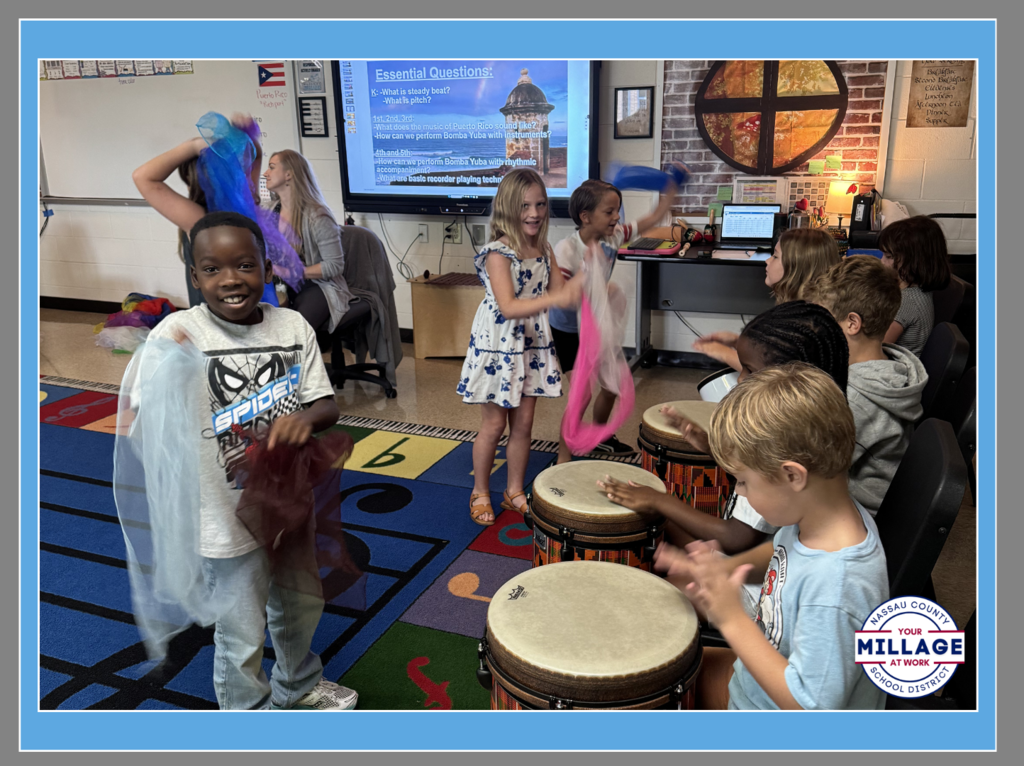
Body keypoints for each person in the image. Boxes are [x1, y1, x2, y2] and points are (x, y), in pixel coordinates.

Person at [139, 211, 357, 711]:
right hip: (224, 517)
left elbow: (325, 404)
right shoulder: (178, 333)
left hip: (288, 502)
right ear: (195, 278)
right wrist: (165, 370)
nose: (230, 279)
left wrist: (307, 419)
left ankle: (298, 686)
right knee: (240, 632)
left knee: (301, 604)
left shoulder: (292, 325)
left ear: (268, 268)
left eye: (244, 265)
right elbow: (145, 415)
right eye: (212, 269)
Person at [654, 363, 888, 710]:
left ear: (793, 475)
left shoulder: (837, 586)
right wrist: (724, 570)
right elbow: (782, 555)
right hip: (754, 683)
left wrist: (732, 619)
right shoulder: (818, 515)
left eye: (744, 482)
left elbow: (810, 708)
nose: (739, 491)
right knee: (662, 665)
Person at [600, 301, 849, 555]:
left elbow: (735, 538)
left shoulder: (778, 443)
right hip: (756, 558)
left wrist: (659, 500)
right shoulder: (816, 429)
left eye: (749, 370)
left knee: (652, 525)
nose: (740, 379)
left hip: (743, 561)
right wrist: (712, 446)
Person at [456, 168, 581, 526]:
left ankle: (513, 491)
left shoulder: (543, 248)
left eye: (540, 204)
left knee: (524, 424)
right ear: (507, 208)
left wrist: (584, 285)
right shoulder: (497, 253)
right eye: (525, 205)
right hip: (499, 346)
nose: (535, 213)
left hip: (531, 345)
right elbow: (509, 307)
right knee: (494, 425)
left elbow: (559, 294)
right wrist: (556, 297)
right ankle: (480, 491)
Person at [551, 170, 685, 463]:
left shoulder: (613, 237)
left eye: (617, 210)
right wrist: (589, 275)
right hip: (569, 331)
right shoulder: (567, 249)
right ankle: (562, 458)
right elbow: (562, 296)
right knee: (581, 396)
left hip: (597, 326)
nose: (616, 217)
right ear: (585, 216)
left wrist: (671, 190)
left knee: (611, 386)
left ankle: (598, 438)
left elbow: (652, 218)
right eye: (609, 211)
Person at [805, 256, 928, 514]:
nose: (816, 331)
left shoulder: (855, 401)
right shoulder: (888, 366)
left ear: (852, 324)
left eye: (822, 322)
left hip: (851, 514)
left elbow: (807, 474)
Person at [132, 114, 269, 308]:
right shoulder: (244, 202)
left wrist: (192, 146)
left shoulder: (202, 218)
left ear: (191, 178)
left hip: (223, 310)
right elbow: (257, 157)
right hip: (242, 307)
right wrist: (249, 139)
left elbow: (143, 177)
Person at [695, 228, 840, 371]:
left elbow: (770, 372)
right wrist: (737, 342)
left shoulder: (806, 324)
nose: (767, 260)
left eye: (775, 256)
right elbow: (777, 354)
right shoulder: (813, 313)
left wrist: (723, 353)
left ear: (796, 266)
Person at [263, 150, 355, 335]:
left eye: (272, 167)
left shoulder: (318, 216)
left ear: (289, 174)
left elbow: (334, 265)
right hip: (278, 284)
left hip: (316, 285)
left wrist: (293, 272)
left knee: (294, 334)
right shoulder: (269, 210)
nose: (265, 173)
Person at [877, 215, 952, 356]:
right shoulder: (917, 289)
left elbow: (872, 351)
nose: (882, 261)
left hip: (893, 367)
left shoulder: (906, 304)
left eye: (888, 256)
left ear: (914, 261)